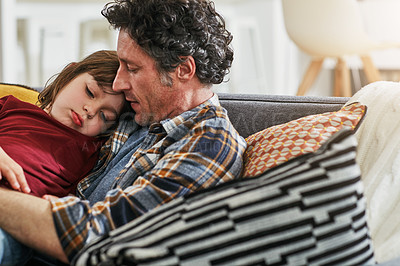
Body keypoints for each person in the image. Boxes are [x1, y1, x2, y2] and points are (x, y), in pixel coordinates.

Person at [0, 0, 246, 264]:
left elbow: (101, 236)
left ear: (183, 70)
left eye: (132, 68)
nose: (118, 82)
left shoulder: (209, 146)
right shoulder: (139, 112)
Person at [0, 50, 130, 265]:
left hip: (16, 226)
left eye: (104, 116)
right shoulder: (12, 107)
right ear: (69, 74)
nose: (90, 110)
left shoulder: (91, 150)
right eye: (90, 92)